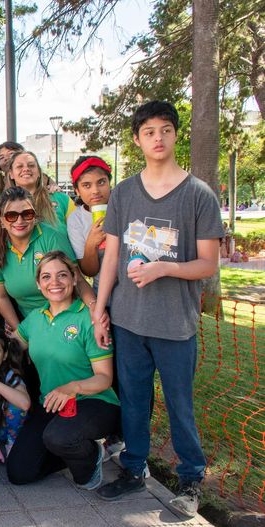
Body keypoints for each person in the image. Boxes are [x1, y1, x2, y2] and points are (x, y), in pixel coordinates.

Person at [93, 101, 223, 518]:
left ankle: (190, 480)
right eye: (149, 131)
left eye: (166, 130)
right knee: (133, 400)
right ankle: (133, 469)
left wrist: (166, 268)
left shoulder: (198, 195)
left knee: (180, 404)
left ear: (175, 134)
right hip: (129, 320)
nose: (158, 138)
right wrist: (100, 309)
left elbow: (208, 263)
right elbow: (111, 256)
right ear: (137, 139)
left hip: (175, 324)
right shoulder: (126, 193)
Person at [7, 251, 119, 491]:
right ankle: (69, 451)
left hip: (93, 400)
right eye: (46, 277)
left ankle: (90, 456)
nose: (54, 282)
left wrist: (72, 387)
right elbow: (9, 348)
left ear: (74, 279)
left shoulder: (89, 319)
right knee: (19, 472)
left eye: (62, 275)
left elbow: (105, 378)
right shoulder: (35, 319)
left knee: (59, 437)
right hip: (52, 403)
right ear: (38, 284)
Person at [0, 186, 98, 328]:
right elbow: (0, 296)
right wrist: (21, 331)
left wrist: (95, 310)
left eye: (27, 214)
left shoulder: (52, 237)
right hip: (29, 321)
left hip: (67, 316)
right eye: (11, 216)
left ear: (35, 216)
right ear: (1, 219)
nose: (19, 221)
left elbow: (79, 281)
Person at [66, 156, 112, 291]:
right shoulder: (76, 219)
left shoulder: (123, 207)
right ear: (77, 191)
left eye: (101, 182)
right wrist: (91, 243)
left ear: (109, 182)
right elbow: (89, 272)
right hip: (103, 291)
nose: (95, 191)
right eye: (86, 185)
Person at [8, 150, 75, 231]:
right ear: (11, 174)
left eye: (31, 165)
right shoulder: (3, 205)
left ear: (39, 172)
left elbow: (78, 233)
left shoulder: (62, 199)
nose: (26, 169)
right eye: (19, 166)